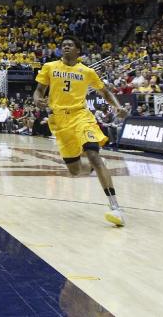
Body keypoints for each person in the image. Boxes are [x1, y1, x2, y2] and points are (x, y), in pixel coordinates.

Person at [34, 37, 129, 227]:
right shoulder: (50, 67)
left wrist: (118, 107)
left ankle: (115, 208)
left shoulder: (87, 71)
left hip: (81, 116)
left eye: (70, 45)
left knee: (93, 154)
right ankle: (95, 167)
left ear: (78, 50)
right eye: (63, 45)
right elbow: (38, 91)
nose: (66, 47)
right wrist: (37, 99)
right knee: (75, 170)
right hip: (60, 120)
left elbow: (106, 92)